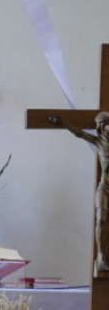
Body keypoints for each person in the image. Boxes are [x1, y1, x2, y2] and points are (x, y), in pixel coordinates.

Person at [49, 111, 109, 275]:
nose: (107, 128)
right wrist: (62, 123)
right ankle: (102, 256)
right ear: (99, 127)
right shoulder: (99, 141)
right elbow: (79, 132)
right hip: (104, 186)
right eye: (104, 125)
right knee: (101, 218)